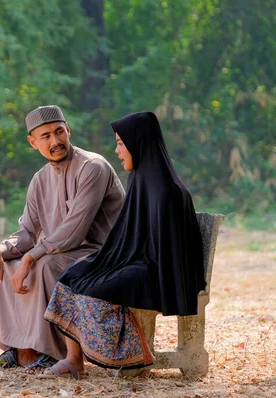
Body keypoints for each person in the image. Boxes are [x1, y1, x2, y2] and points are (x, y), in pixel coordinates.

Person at [41, 111, 205, 379]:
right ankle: (73, 359)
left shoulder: (168, 192)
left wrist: (121, 267)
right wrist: (108, 261)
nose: (116, 150)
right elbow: (128, 235)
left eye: (120, 143)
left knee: (95, 291)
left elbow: (166, 255)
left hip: (161, 273)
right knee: (73, 275)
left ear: (138, 143)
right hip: (137, 262)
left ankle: (130, 358)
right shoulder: (139, 179)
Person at [0, 105, 125, 369]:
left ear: (68, 130)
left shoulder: (93, 166)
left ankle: (48, 351)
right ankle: (19, 349)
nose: (55, 141)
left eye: (59, 132)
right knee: (8, 265)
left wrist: (31, 257)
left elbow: (74, 230)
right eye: (45, 136)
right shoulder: (39, 180)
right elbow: (26, 233)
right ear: (33, 142)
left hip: (105, 253)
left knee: (43, 265)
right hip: (65, 251)